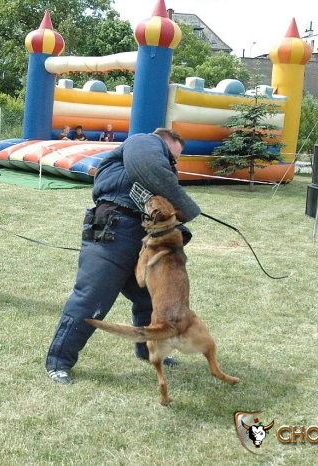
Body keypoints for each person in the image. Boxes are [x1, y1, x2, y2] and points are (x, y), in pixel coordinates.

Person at [45, 128, 201, 385]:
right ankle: (58, 361)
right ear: (161, 142)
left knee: (148, 299)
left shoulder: (155, 163)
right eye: (172, 156)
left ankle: (147, 349)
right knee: (90, 300)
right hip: (114, 230)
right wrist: (189, 208)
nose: (173, 163)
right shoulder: (144, 142)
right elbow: (151, 167)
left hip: (141, 238)